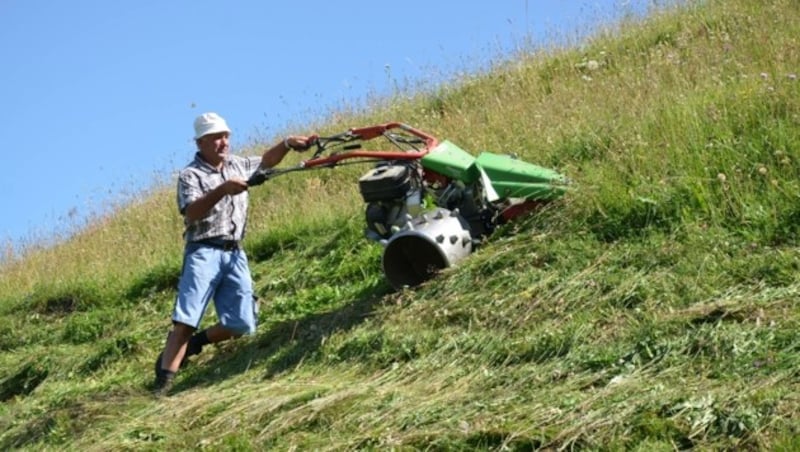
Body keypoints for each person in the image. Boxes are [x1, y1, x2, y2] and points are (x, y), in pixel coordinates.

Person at [153, 112, 314, 396]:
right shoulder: (190, 175)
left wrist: (288, 143)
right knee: (186, 320)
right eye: (216, 138)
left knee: (242, 323)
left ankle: (197, 344)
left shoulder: (237, 164)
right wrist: (222, 190)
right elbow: (191, 213)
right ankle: (163, 385)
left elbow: (265, 162)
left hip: (234, 253)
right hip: (203, 251)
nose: (223, 142)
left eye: (225, 136)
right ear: (200, 142)